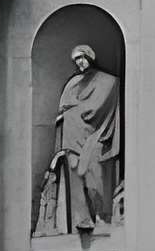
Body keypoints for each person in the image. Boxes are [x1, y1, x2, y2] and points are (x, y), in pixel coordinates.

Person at [35, 43, 122, 236]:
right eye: (76, 60)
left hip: (94, 136)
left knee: (93, 175)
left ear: (90, 57)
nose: (80, 62)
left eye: (82, 57)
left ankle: (101, 216)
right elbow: (62, 108)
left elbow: (97, 107)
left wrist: (77, 110)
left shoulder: (107, 81)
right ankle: (82, 219)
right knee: (74, 176)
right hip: (72, 137)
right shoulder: (72, 83)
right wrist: (65, 115)